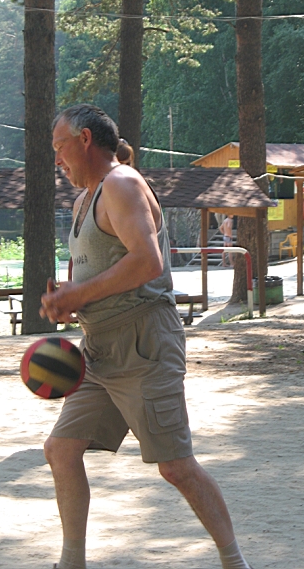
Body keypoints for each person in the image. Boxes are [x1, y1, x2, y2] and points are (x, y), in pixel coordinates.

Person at [40, 104, 252, 569]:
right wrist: (64, 300)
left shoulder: (122, 183)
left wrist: (79, 293)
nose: (56, 160)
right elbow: (94, 274)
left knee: (175, 466)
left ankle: (235, 562)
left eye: (59, 147)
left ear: (85, 140)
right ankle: (71, 563)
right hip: (98, 350)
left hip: (144, 343)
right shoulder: (83, 201)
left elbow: (147, 262)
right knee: (61, 448)